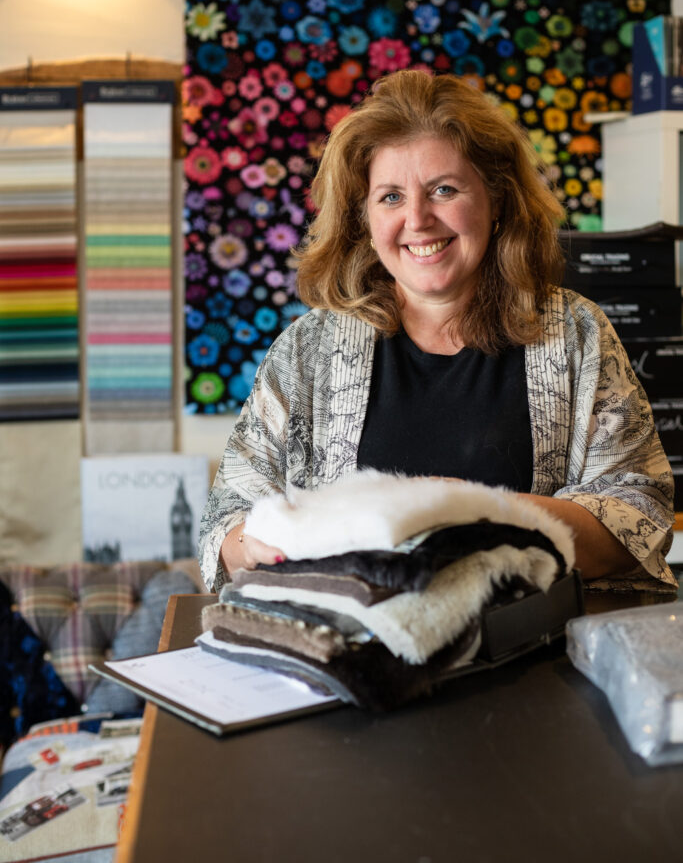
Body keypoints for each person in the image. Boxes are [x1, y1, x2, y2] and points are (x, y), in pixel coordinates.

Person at [198, 69, 676, 594]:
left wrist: (471, 512)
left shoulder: (575, 333)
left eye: (443, 189)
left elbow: (637, 514)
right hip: (354, 652)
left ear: (497, 202)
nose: (419, 219)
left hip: (531, 652)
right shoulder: (307, 350)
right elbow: (228, 520)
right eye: (391, 197)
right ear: (364, 219)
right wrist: (257, 545)